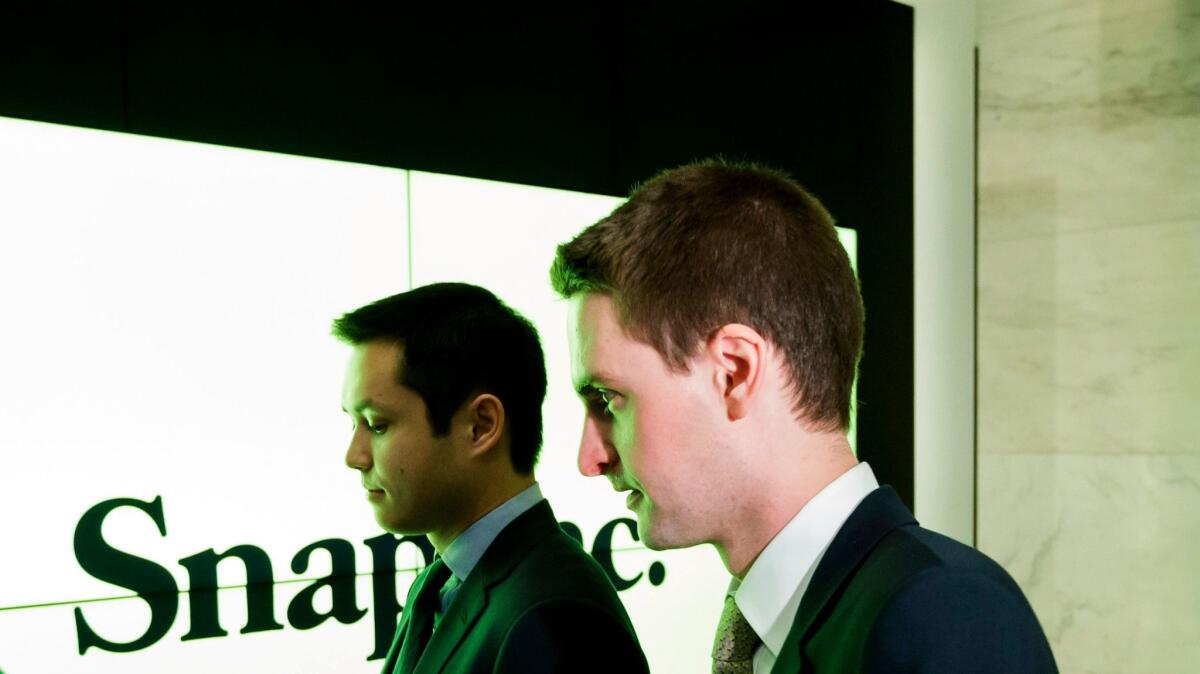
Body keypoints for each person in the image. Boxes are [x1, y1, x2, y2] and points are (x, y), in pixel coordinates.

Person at [551, 161, 1058, 673]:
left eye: (608, 398)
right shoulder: (797, 621)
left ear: (734, 372)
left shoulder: (946, 617)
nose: (589, 458)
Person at [334, 282, 649, 674]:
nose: (354, 456)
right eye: (352, 423)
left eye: (377, 425)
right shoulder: (441, 582)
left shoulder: (556, 617)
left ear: (481, 426)